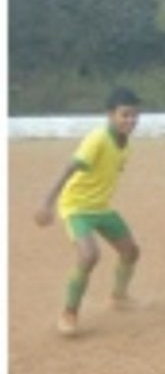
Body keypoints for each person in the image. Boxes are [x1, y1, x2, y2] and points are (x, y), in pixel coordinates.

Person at [34, 87, 143, 337]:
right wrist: (46, 202)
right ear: (110, 115)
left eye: (135, 115)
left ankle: (118, 297)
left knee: (131, 251)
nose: (131, 120)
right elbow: (69, 168)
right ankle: (69, 313)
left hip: (100, 208)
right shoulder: (97, 139)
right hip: (76, 208)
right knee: (89, 255)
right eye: (125, 115)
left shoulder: (125, 145)